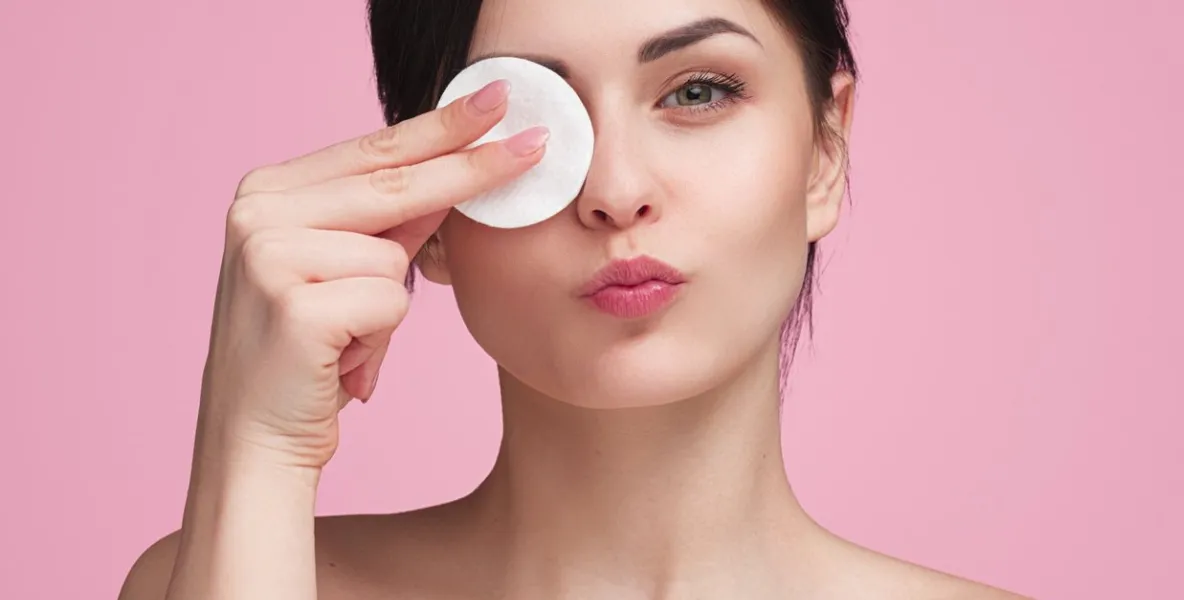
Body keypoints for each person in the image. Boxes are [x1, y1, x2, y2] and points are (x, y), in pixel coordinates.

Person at [119, 0, 1028, 598]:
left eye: (699, 90)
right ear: (428, 203)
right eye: (530, 120)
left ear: (824, 154)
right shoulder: (227, 574)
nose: (616, 188)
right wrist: (258, 453)